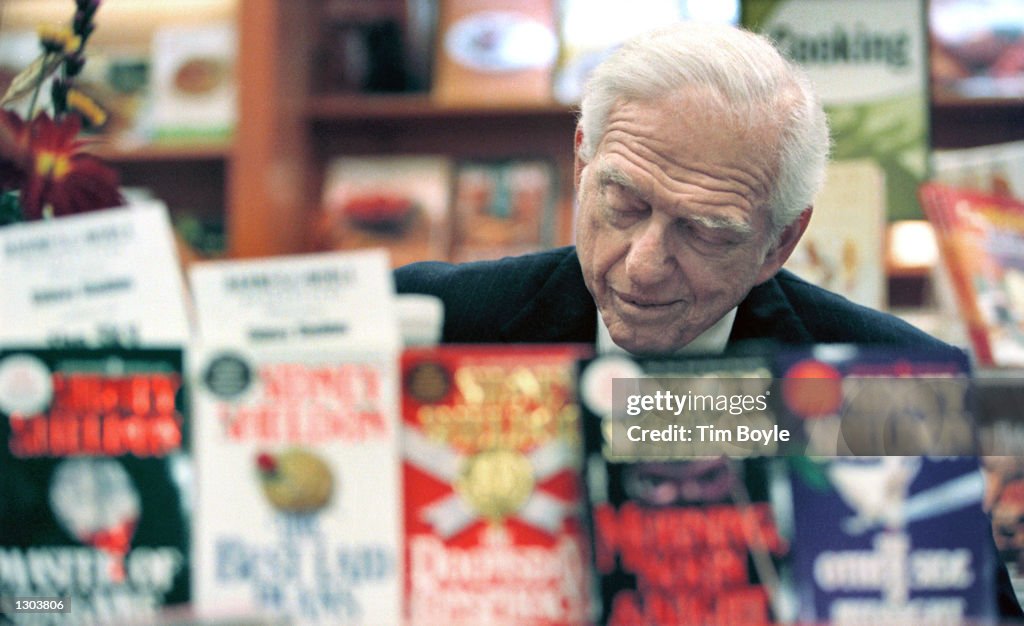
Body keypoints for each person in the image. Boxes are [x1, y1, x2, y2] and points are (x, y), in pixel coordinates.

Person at [396, 22, 1023, 617]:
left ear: (779, 243)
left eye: (704, 232)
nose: (643, 266)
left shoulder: (889, 379)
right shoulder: (428, 325)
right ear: (582, 166)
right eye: (624, 203)